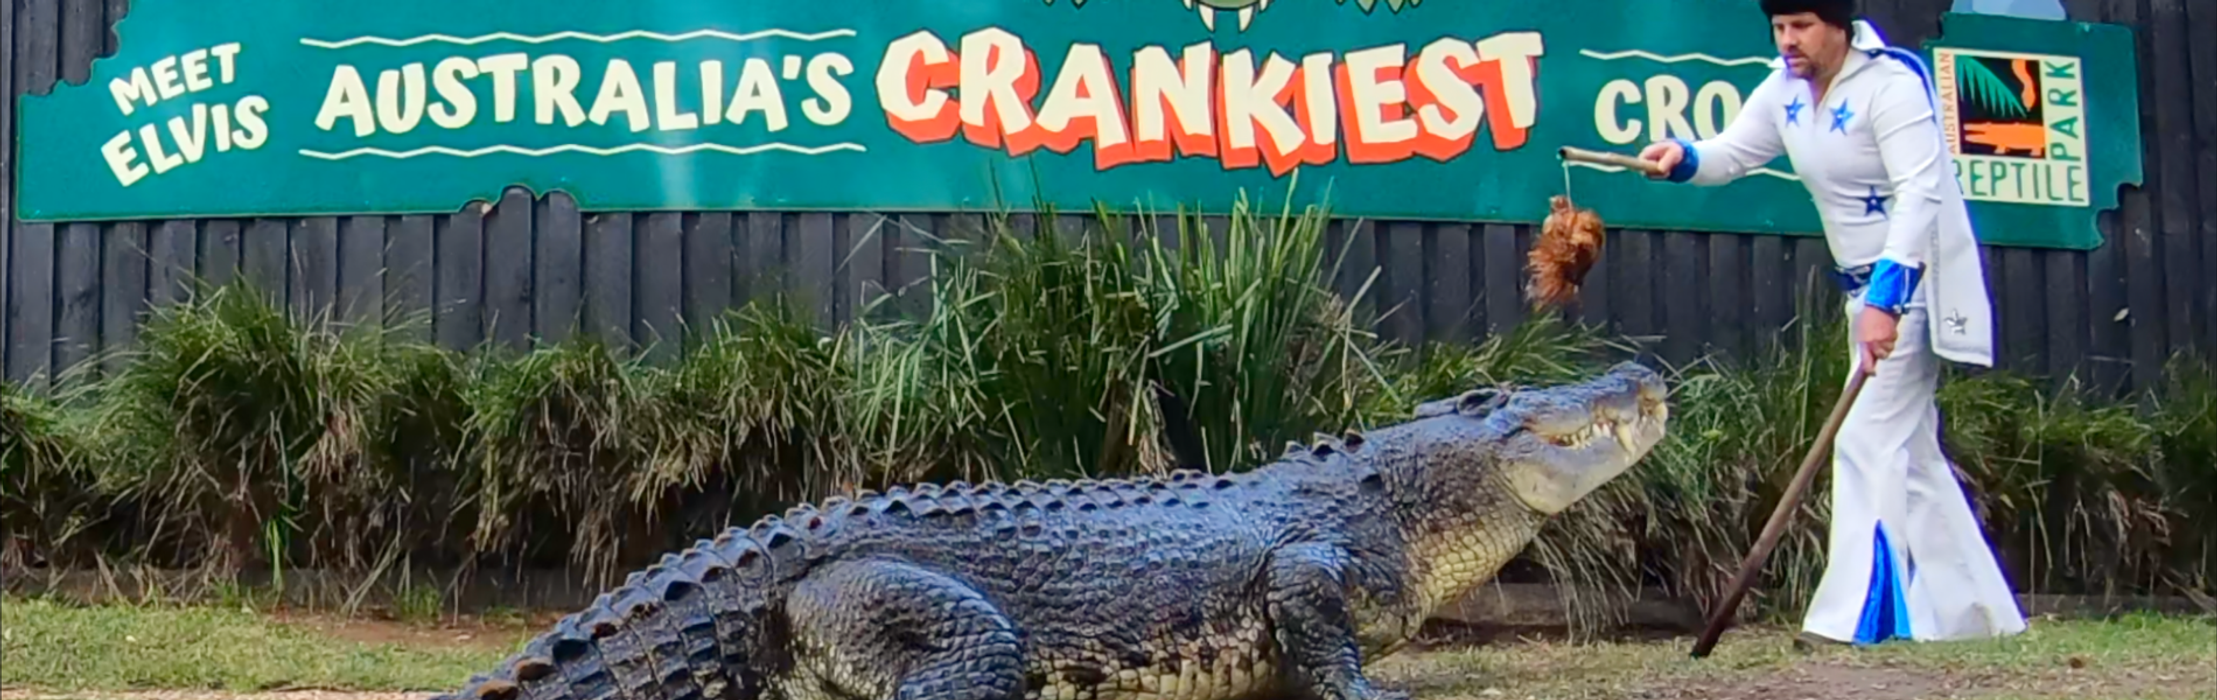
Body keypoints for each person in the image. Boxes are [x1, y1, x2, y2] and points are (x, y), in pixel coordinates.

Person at [1636, 0, 2028, 648]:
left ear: (1839, 26)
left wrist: (1887, 299)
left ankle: (1852, 623)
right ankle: (1973, 616)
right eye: (1778, 28)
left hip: (1910, 286)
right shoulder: (1783, 87)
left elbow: (1919, 194)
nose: (1787, 41)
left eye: (1800, 27)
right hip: (1863, 293)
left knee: (1864, 441)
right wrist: (1681, 158)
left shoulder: (1891, 87)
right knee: (1914, 459)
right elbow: (1732, 153)